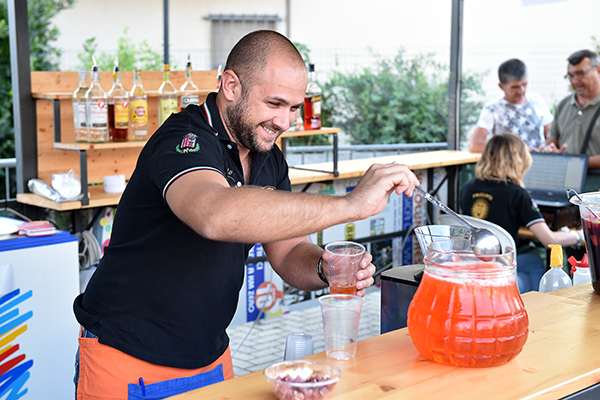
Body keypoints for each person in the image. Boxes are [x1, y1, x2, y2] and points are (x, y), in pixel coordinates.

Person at [72, 30, 419, 399]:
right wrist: (349, 205)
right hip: (127, 355)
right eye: (274, 103)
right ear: (231, 86)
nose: (285, 122)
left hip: (212, 357)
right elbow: (214, 214)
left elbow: (287, 252)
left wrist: (324, 268)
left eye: (293, 108)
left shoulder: (268, 155)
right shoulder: (182, 138)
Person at [461, 133, 583, 293]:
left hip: (469, 271)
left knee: (534, 261)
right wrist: (580, 235)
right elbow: (550, 240)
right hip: (499, 279)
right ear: (519, 162)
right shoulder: (517, 194)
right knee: (534, 269)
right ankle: (533, 309)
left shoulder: (468, 187)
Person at [469, 58, 553, 153]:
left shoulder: (537, 101)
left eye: (524, 84)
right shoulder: (493, 109)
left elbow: (551, 138)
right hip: (509, 166)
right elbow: (475, 145)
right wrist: (515, 149)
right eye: (515, 87)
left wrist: (547, 146)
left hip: (540, 164)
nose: (521, 91)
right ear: (501, 86)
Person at [540, 50, 600, 169]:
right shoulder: (563, 105)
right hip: (565, 181)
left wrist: (575, 163)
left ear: (598, 71)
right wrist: (550, 150)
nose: (574, 81)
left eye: (580, 73)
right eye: (570, 75)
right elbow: (552, 141)